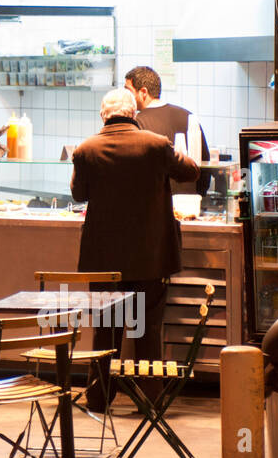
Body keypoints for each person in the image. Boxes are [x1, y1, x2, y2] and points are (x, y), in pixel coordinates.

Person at [70, 88, 200, 410]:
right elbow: (191, 171)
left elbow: (77, 194)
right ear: (133, 114)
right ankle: (149, 399)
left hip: (104, 260)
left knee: (106, 332)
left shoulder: (86, 149)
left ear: (103, 115)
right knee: (146, 331)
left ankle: (100, 398)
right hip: (149, 257)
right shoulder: (155, 145)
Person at [124, 66, 210, 196]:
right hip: (188, 203)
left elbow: (132, 170)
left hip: (154, 204)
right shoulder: (188, 116)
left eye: (128, 91)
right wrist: (198, 195)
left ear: (143, 92)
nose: (126, 97)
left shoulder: (136, 122)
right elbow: (205, 164)